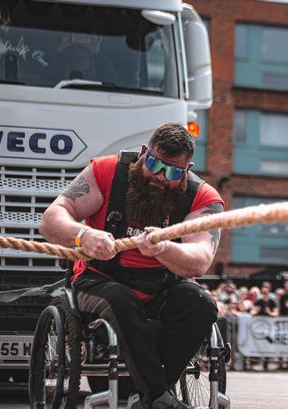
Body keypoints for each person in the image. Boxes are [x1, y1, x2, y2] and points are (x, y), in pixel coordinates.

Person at [39, 123, 223, 409]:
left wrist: (164, 248)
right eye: (154, 164)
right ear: (142, 154)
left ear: (186, 171)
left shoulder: (203, 198)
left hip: (162, 286)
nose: (160, 177)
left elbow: (201, 259)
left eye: (173, 172)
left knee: (202, 304)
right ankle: (159, 398)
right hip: (100, 279)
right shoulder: (106, 171)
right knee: (120, 299)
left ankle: (148, 397)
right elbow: (52, 218)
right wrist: (83, 235)